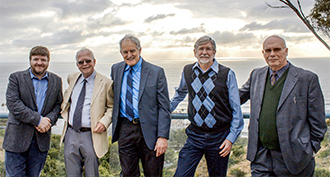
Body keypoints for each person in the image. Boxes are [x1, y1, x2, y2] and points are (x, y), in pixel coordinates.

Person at [239, 35, 327, 176]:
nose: (272, 54)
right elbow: (237, 97)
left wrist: (311, 149)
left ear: (286, 51)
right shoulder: (257, 75)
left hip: (295, 158)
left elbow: (318, 121)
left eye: (277, 49)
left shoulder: (307, 79)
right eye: (268, 50)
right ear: (263, 53)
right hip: (261, 156)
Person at [171, 35, 244, 177]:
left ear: (214, 52)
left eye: (208, 49)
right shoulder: (188, 71)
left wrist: (231, 138)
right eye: (201, 49)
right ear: (195, 52)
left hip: (220, 137)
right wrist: (164, 111)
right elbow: (180, 93)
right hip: (194, 135)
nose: (204, 52)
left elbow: (236, 109)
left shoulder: (227, 74)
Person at [111, 34, 171, 177]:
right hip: (125, 129)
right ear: (121, 53)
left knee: (153, 173)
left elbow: (164, 107)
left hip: (150, 132)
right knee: (128, 174)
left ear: (140, 50)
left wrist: (163, 136)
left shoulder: (156, 72)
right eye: (125, 52)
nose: (129, 55)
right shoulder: (116, 69)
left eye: (132, 51)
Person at [3, 46, 63, 177]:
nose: (39, 62)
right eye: (36, 59)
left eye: (43, 59)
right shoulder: (16, 78)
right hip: (16, 139)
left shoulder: (56, 80)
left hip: (40, 140)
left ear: (48, 61)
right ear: (30, 60)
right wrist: (38, 120)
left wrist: (49, 121)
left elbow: (58, 105)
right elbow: (13, 104)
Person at [60, 48, 113, 177]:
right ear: (77, 65)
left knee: (92, 173)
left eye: (88, 61)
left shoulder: (106, 83)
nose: (85, 64)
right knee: (71, 173)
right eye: (81, 62)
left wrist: (104, 122)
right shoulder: (72, 78)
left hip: (92, 134)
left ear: (94, 61)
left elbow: (112, 107)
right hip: (71, 132)